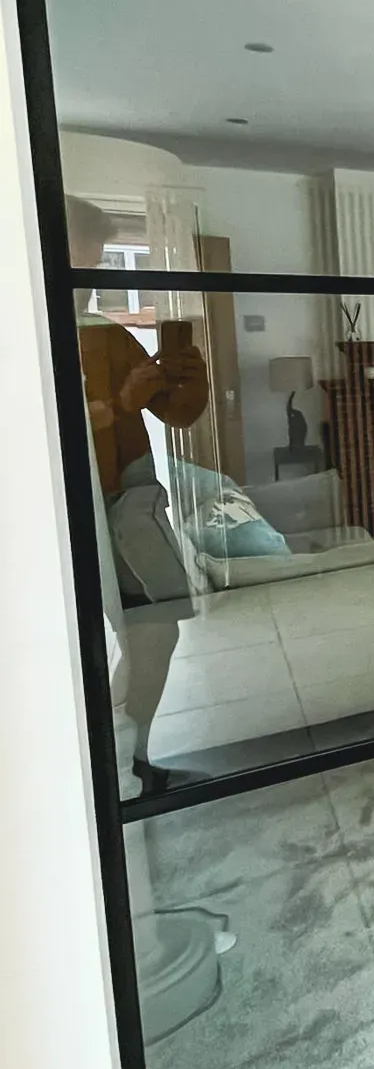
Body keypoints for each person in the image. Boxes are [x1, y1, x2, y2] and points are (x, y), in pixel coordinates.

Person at [69, 198, 209, 790]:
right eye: (86, 264)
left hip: (129, 499)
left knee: (154, 626)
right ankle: (122, 761)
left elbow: (178, 414)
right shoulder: (28, 332)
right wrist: (118, 404)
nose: (90, 280)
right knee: (148, 627)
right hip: (95, 506)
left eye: (95, 265)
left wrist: (186, 370)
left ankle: (127, 758)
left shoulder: (103, 332)